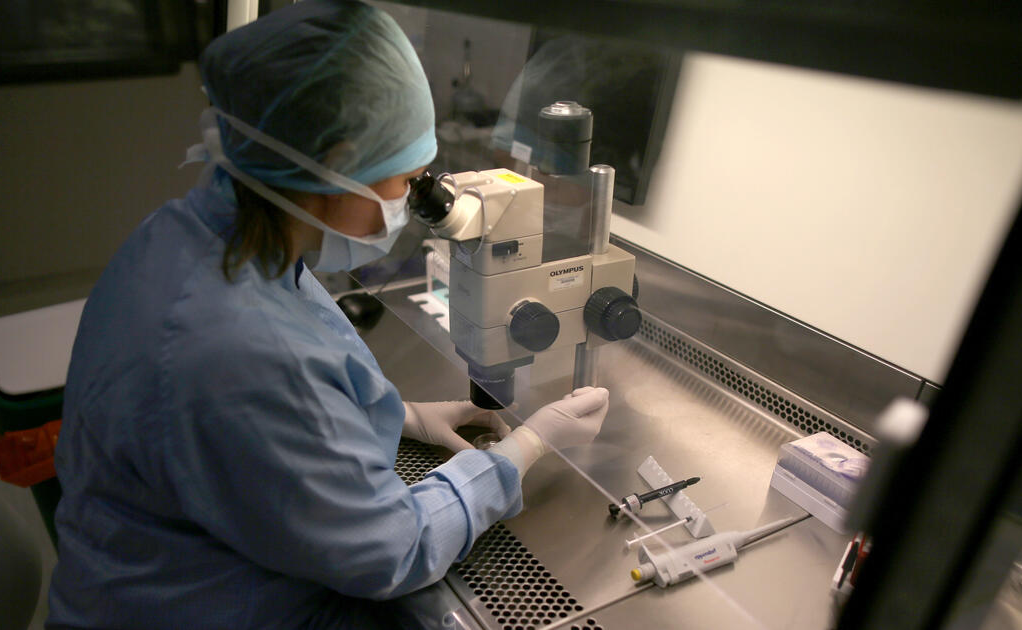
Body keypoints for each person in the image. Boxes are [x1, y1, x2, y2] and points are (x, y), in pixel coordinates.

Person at [46, 1, 610, 628]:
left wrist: (405, 416)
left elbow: (264, 422)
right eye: (407, 180)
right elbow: (393, 551)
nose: (410, 201)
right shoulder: (235, 349)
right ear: (338, 167)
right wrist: (527, 448)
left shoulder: (195, 236)